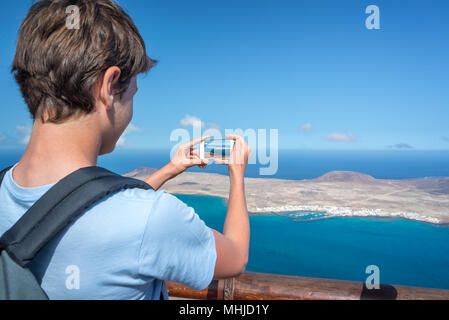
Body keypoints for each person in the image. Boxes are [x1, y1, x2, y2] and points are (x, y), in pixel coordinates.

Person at [0, 0, 250, 299]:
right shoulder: (152, 218)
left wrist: (171, 169)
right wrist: (237, 174)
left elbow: (78, 206)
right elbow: (235, 257)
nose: (131, 112)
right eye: (132, 94)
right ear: (110, 85)